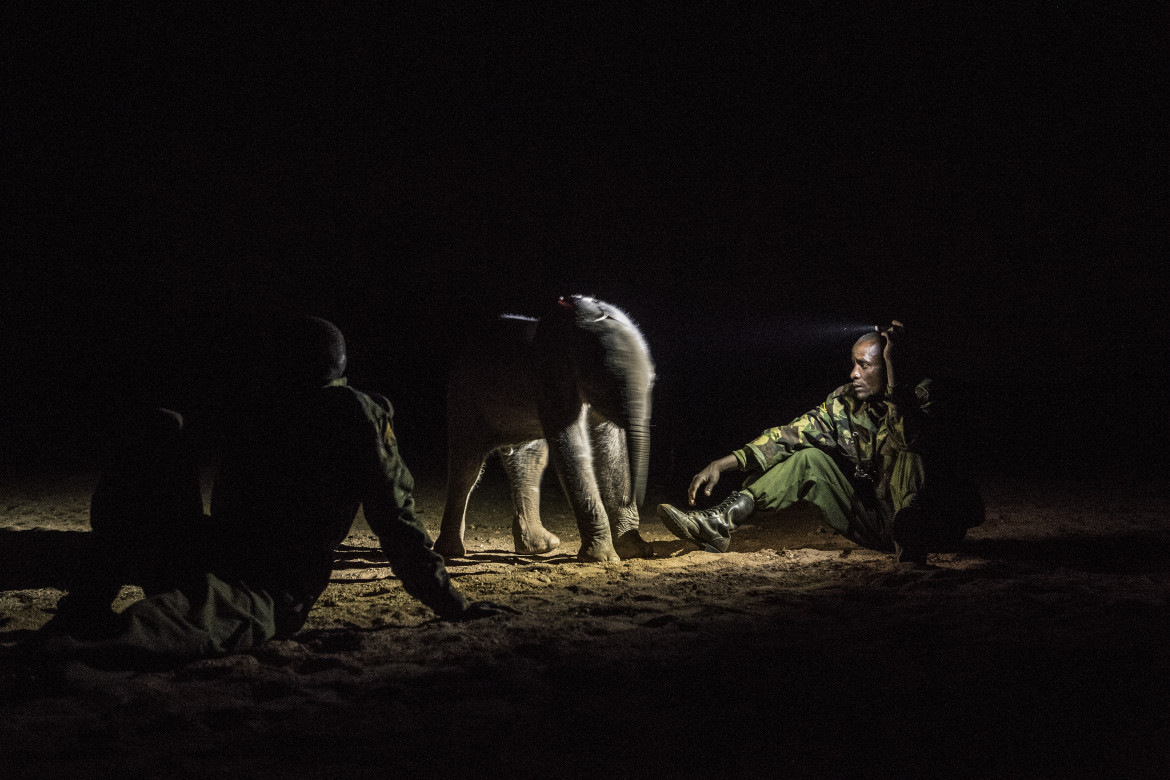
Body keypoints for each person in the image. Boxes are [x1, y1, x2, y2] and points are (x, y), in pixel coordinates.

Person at [38, 315, 514, 668]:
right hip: (244, 574)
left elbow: (398, 524)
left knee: (160, 435)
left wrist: (453, 604)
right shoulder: (335, 412)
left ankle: (82, 623)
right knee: (161, 434)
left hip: (242, 573)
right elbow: (397, 520)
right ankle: (84, 623)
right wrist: (453, 602)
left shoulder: (295, 407)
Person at [657, 321, 982, 565]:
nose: (854, 373)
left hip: (936, 527)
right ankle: (719, 522)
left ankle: (911, 536)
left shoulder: (926, 396)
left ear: (889, 367)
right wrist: (722, 463)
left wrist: (898, 376)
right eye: (853, 363)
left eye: (865, 365)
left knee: (908, 452)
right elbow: (789, 434)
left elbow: (908, 434)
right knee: (809, 458)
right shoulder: (846, 403)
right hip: (884, 526)